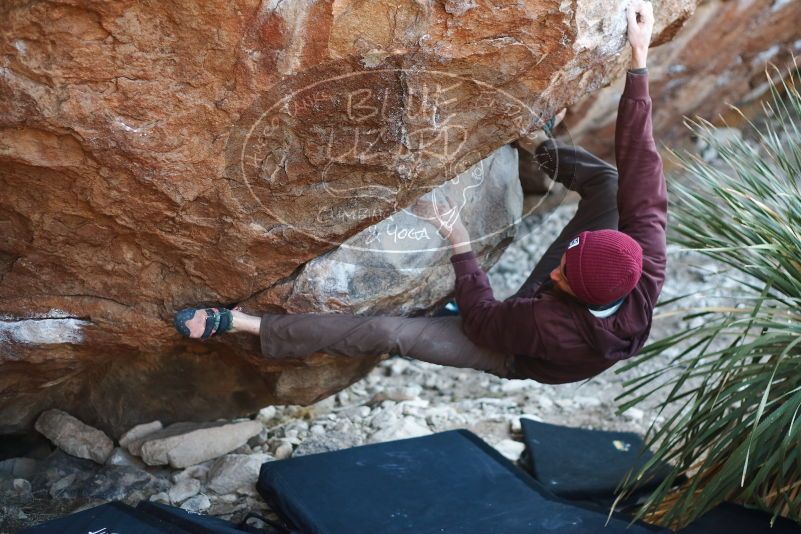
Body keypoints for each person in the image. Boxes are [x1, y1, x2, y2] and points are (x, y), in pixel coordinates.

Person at [174, 0, 666, 384]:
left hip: (511, 350)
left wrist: (457, 239)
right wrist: (638, 61)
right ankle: (537, 143)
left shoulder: (543, 325)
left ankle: (245, 325)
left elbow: (482, 319)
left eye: (561, 272)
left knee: (393, 333)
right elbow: (643, 163)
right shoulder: (645, 259)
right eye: (565, 257)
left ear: (570, 291)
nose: (552, 265)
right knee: (614, 185)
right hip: (558, 312)